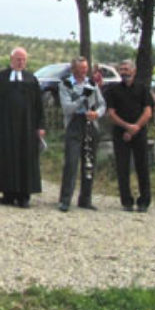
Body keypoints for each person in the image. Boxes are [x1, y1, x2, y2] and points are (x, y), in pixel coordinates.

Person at [0, 47, 45, 208]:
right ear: (11, 59)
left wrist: (40, 126)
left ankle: (24, 195)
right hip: (5, 127)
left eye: (23, 60)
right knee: (6, 158)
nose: (20, 62)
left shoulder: (31, 80)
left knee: (26, 160)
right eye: (18, 59)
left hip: (27, 128)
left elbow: (39, 105)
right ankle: (7, 194)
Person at [57, 56, 106, 212]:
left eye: (85, 69)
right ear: (74, 69)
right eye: (80, 69)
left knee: (89, 162)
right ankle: (65, 199)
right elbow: (67, 108)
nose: (83, 72)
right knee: (71, 163)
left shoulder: (91, 84)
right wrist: (83, 97)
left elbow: (102, 104)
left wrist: (97, 113)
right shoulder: (66, 84)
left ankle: (86, 198)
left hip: (89, 123)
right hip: (74, 123)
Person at [105, 60, 152, 212]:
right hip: (120, 132)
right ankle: (126, 201)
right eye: (121, 69)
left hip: (139, 132)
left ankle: (144, 200)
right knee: (122, 168)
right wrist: (126, 127)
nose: (124, 72)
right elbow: (111, 114)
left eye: (126, 69)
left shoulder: (143, 88)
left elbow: (148, 111)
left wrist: (135, 127)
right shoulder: (113, 90)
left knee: (142, 166)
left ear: (134, 71)